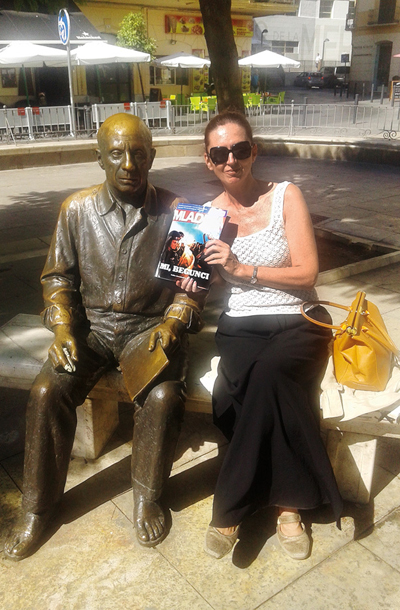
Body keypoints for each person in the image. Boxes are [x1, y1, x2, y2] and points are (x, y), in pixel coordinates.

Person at [5, 113, 203, 561]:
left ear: (152, 156)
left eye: (137, 153)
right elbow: (57, 278)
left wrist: (173, 324)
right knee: (44, 392)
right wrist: (62, 328)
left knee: (162, 398)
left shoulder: (180, 211)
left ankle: (147, 495)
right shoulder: (76, 209)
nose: (128, 163)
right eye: (116, 154)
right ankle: (38, 508)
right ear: (99, 158)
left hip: (149, 328)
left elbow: (190, 288)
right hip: (90, 329)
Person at [179, 111, 343, 561]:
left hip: (299, 320)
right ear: (208, 161)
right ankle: (288, 506)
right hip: (240, 327)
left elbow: (308, 272)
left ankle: (231, 507)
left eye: (239, 149)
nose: (231, 159)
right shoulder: (207, 215)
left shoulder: (286, 196)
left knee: (267, 377)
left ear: (254, 150)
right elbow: (205, 281)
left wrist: (241, 268)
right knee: (261, 387)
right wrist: (194, 280)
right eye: (219, 153)